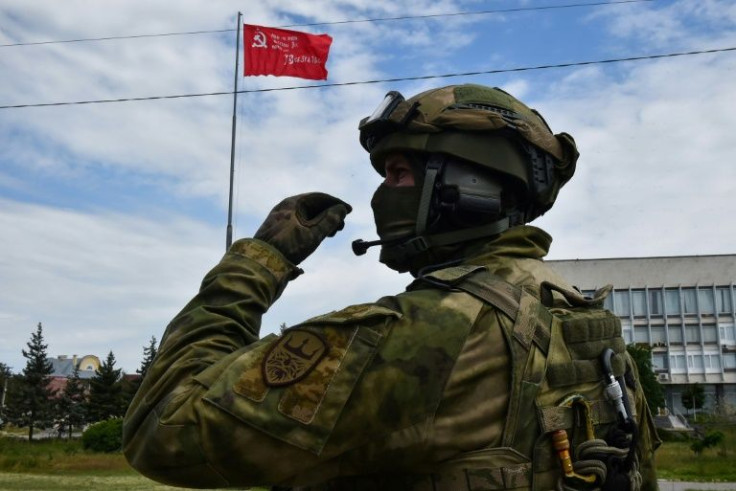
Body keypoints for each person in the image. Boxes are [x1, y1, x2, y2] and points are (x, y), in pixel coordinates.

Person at [123, 84, 660, 490]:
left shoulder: (432, 329)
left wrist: (259, 261)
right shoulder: (581, 319)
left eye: (398, 172)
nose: (382, 193)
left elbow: (163, 431)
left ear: (466, 184)